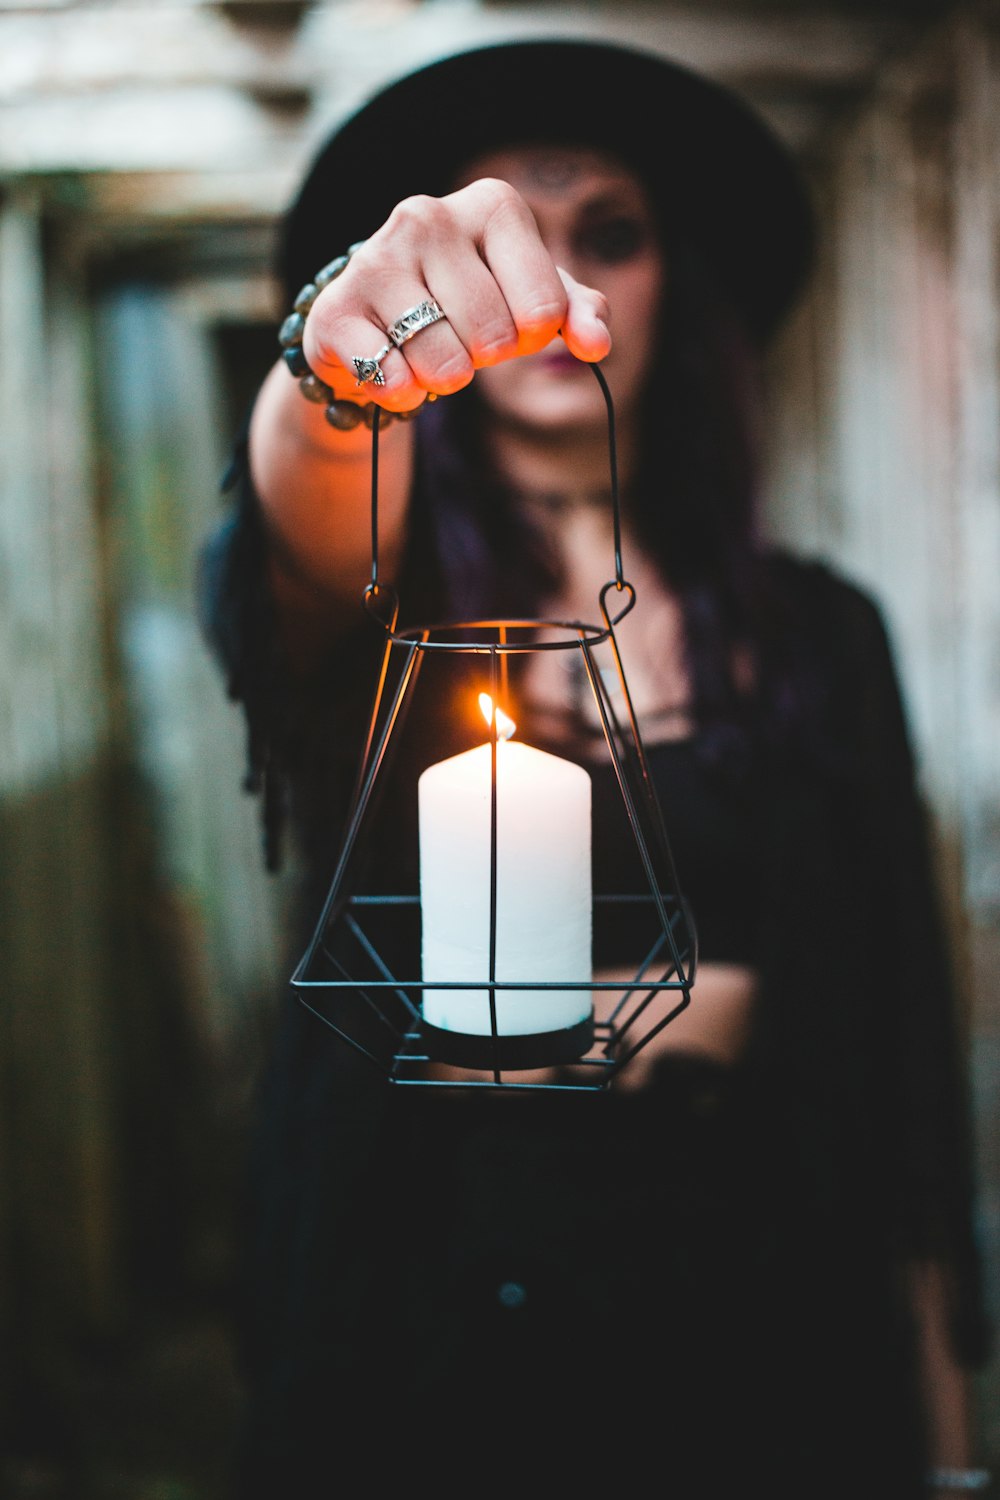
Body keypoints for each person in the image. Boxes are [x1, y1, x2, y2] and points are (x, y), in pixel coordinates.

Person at [198, 37, 992, 1499]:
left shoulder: (821, 633)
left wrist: (943, 1422)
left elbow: (901, 1047)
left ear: (671, 282)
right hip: (442, 1332)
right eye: (509, 229)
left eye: (607, 235)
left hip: (769, 1334)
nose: (545, 280)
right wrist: (343, 363)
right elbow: (307, 516)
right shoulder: (388, 613)